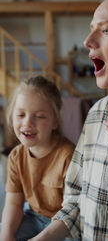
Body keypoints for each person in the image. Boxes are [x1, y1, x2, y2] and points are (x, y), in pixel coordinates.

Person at [27, 0, 108, 241]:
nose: (87, 41)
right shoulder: (97, 115)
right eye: (91, 29)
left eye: (106, 30)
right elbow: (75, 203)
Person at [0, 76, 75, 241]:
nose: (28, 122)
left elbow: (73, 212)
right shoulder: (16, 156)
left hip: (64, 225)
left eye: (40, 116)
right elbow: (14, 204)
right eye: (20, 114)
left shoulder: (68, 156)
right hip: (33, 216)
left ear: (55, 121)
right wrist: (6, 235)